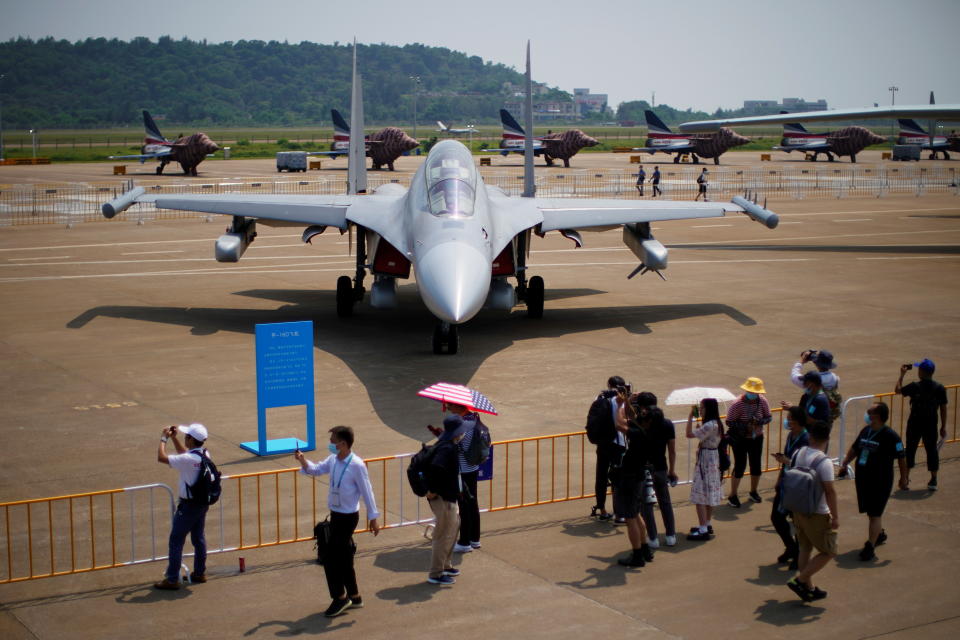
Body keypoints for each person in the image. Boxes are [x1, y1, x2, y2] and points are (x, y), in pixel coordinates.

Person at [295, 426, 380, 617]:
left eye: (333, 440)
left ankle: (340, 597)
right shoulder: (333, 460)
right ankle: (355, 596)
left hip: (348, 517)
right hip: (336, 515)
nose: (330, 444)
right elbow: (316, 470)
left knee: (330, 558)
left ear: (343, 444)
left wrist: (373, 518)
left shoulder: (357, 465)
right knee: (344, 557)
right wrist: (303, 461)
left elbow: (368, 492)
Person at [838, 402, 908, 561]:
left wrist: (903, 478)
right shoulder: (866, 430)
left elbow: (901, 458)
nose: (867, 413)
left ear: (878, 416)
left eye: (870, 411)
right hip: (863, 479)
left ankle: (870, 547)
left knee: (875, 513)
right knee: (870, 512)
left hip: (881, 480)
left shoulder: (891, 436)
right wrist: (845, 462)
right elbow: (855, 448)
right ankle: (879, 534)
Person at [155, 423, 212, 590]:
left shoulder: (188, 460)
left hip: (188, 507)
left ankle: (172, 579)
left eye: (187, 436)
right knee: (198, 538)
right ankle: (199, 572)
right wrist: (175, 438)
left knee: (176, 540)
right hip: (202, 503)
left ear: (191, 439)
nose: (185, 438)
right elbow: (185, 454)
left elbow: (161, 457)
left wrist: (164, 438)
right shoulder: (204, 454)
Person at [786, 420, 838, 603]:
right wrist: (835, 517)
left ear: (810, 436)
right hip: (817, 512)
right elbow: (830, 491)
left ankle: (808, 589)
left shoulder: (798, 453)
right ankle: (800, 581)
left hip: (798, 509)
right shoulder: (824, 462)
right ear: (827, 438)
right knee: (828, 551)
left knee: (805, 548)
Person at [612, 389, 655, 567]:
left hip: (630, 476)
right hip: (639, 475)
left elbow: (619, 423)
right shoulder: (652, 428)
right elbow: (631, 418)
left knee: (630, 518)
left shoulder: (638, 434)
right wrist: (630, 402)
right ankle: (645, 548)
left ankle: (637, 554)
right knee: (636, 513)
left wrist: (621, 404)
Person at [425, 415, 467, 586]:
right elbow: (436, 468)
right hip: (444, 499)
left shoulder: (449, 445)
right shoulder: (446, 449)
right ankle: (435, 573)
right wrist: (433, 491)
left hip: (450, 497)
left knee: (453, 528)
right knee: (442, 535)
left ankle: (446, 565)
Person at [896, 359, 948, 491]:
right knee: (932, 450)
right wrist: (943, 426)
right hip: (931, 423)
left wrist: (902, 375)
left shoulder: (915, 386)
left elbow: (898, 390)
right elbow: (943, 408)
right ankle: (933, 479)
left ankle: (906, 479)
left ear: (922, 372)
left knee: (910, 450)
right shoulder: (940, 388)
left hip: (915, 423)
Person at [635, 392, 678, 547]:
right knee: (665, 502)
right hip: (661, 467)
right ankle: (671, 535)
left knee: (647, 505)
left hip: (645, 469)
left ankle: (652, 538)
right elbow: (672, 450)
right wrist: (672, 470)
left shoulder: (641, 423)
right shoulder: (667, 423)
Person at [771, 406, 810, 569]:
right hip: (787, 482)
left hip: (799, 485)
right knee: (776, 517)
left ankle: (798, 553)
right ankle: (792, 547)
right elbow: (787, 460)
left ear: (798, 420)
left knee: (797, 521)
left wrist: (786, 461)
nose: (788, 421)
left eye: (790, 418)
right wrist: (779, 478)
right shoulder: (791, 435)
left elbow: (805, 463)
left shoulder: (806, 439)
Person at [725, 377, 772, 507]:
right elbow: (729, 422)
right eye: (750, 391)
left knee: (756, 465)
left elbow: (769, 417)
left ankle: (753, 491)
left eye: (755, 392)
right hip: (740, 439)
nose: (753, 394)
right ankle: (733, 495)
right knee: (740, 465)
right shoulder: (737, 404)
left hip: (756, 438)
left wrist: (759, 422)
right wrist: (745, 426)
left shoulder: (762, 401)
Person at [589, 376, 628, 523]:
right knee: (618, 478)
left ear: (608, 385)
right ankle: (620, 514)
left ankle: (602, 509)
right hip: (617, 443)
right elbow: (626, 418)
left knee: (601, 476)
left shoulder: (600, 398)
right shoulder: (621, 400)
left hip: (602, 442)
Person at [686, 398, 724, 540]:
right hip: (712, 458)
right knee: (709, 492)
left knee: (700, 494)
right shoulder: (716, 423)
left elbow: (688, 434)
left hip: (706, 460)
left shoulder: (709, 425)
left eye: (702, 407)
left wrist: (690, 417)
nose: (700, 410)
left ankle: (703, 529)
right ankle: (706, 524)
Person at [790, 350, 841, 424]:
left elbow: (794, 377)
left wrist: (801, 361)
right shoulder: (835, 378)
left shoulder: (814, 380)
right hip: (829, 415)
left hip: (812, 416)